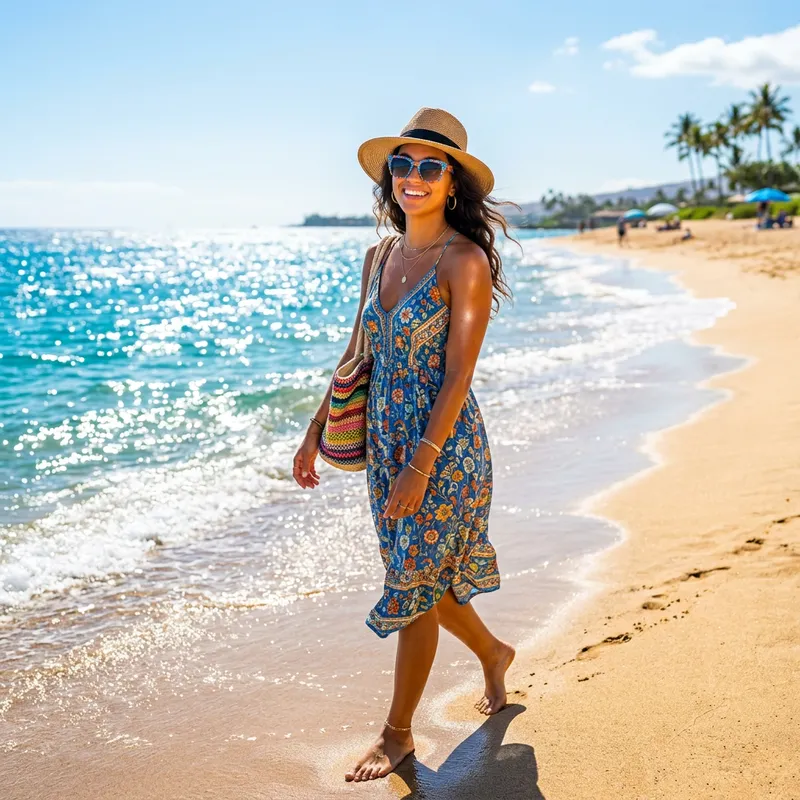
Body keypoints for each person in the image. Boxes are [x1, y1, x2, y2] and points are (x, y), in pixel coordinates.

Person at [292, 107, 517, 783]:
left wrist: (421, 465)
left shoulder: (465, 260)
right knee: (432, 584)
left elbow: (458, 375)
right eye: (402, 164)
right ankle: (496, 654)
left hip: (442, 449)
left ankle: (397, 736)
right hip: (385, 447)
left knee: (414, 587)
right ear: (390, 177)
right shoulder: (379, 256)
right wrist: (315, 429)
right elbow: (357, 351)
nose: (412, 177)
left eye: (429, 166)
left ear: (452, 183)